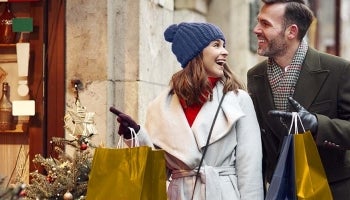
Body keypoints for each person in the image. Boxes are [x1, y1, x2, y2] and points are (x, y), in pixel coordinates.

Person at [111, 22, 264, 199]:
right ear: (195, 53)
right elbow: (158, 170)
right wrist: (135, 135)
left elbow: (250, 168)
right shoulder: (160, 106)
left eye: (224, 45)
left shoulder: (238, 100)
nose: (225, 51)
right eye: (216, 45)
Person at [247, 0, 350, 199]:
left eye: (265, 24)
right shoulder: (255, 76)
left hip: (331, 190)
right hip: (279, 190)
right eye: (258, 22)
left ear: (291, 31)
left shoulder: (338, 70)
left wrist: (318, 125)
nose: (256, 30)